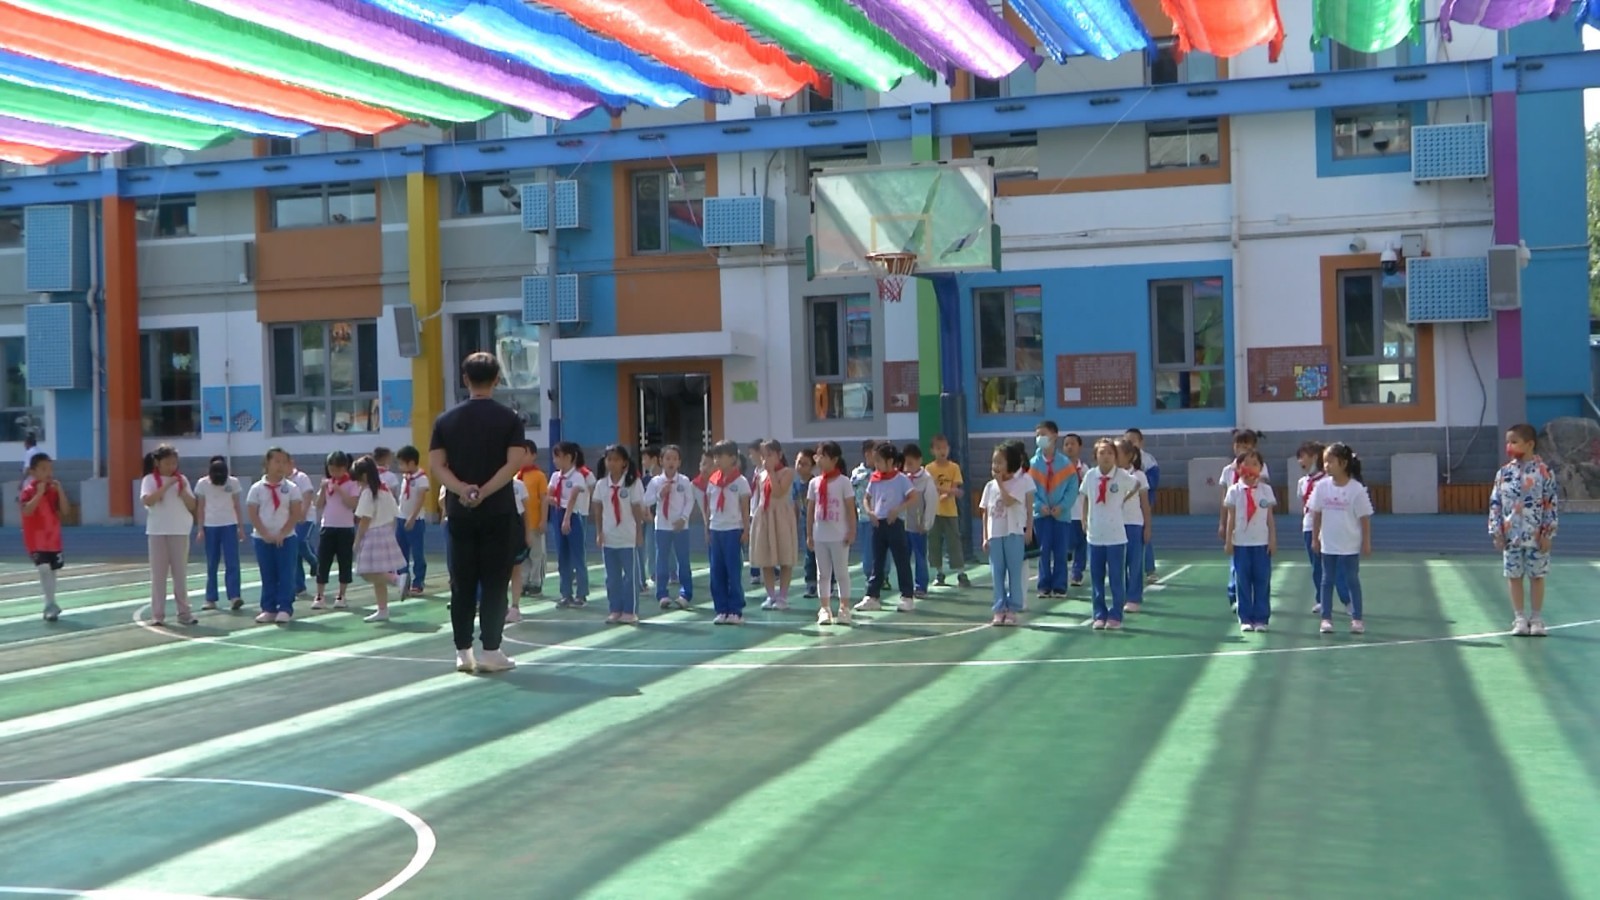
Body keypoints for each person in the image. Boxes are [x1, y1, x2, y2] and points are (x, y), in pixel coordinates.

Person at [429, 351, 527, 674]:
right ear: (497, 380)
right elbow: (513, 463)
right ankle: (491, 650)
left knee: (462, 581)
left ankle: (462, 651)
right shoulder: (510, 419)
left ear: (465, 379)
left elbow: (437, 465)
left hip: (459, 512)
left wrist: (462, 489)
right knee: (495, 582)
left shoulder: (445, 421)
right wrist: (485, 490)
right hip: (498, 510)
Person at [1489, 424, 1560, 637]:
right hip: (1511, 536)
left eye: (1514, 442)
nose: (1509, 446)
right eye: (1507, 442)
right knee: (1514, 576)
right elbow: (1495, 503)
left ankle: (1536, 618)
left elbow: (1550, 503)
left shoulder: (1544, 472)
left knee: (1537, 576)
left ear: (1529, 444)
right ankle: (1519, 618)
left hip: (1536, 536)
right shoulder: (1504, 473)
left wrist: (1548, 533)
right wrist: (1497, 532)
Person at [1311, 442, 1372, 635]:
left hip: (1350, 544)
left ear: (1343, 463)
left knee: (1352, 580)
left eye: (1330, 461)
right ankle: (1326, 619)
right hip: (1328, 543)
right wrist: (1315, 538)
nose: (1326, 465)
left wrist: (1366, 542)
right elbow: (1316, 514)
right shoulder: (1321, 487)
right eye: (1324, 461)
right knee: (1327, 580)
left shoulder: (1357, 489)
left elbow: (1364, 519)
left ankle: (1357, 619)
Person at [1079, 438, 1138, 630]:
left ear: (1115, 456)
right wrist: (1084, 518)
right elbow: (1085, 497)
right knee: (1096, 578)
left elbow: (1136, 485)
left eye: (1110, 453)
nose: (1106, 456)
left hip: (1116, 536)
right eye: (1102, 453)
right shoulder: (1090, 475)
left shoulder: (1121, 475)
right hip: (1095, 535)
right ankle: (1099, 613)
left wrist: (1123, 499)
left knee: (1115, 578)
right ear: (1095, 456)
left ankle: (1115, 614)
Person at [141, 445, 197, 627]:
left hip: (179, 530)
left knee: (180, 574)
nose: (171, 466)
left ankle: (184, 612)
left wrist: (183, 492)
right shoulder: (149, 479)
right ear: (157, 462)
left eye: (174, 463)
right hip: (157, 531)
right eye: (167, 463)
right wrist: (166, 485)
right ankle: (158, 614)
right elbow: (149, 501)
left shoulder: (182, 480)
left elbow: (192, 505)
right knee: (158, 575)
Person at [858, 441, 917, 613]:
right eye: (875, 460)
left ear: (890, 461)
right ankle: (872, 596)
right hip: (878, 524)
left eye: (879, 460)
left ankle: (907, 596)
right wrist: (870, 512)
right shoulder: (875, 479)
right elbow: (866, 498)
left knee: (901, 560)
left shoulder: (901, 479)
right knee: (877, 561)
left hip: (895, 523)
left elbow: (913, 497)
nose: (876, 464)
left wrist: (897, 510)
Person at [247, 448, 303, 624]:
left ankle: (285, 608)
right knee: (267, 574)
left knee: (286, 573)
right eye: (277, 461)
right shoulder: (257, 488)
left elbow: (295, 513)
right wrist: (264, 533)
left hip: (286, 538)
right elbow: (253, 512)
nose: (280, 466)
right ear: (267, 464)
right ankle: (269, 608)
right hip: (262, 538)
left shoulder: (292, 488)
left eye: (284, 462)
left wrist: (282, 533)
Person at [1224, 449, 1278, 633]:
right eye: (1246, 463)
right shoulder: (1234, 491)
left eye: (1255, 464)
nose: (1250, 467)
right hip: (1241, 543)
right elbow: (1231, 517)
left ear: (1261, 468)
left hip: (1261, 543)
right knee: (1243, 581)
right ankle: (1245, 617)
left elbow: (1269, 518)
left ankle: (1261, 618)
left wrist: (1272, 539)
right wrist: (1229, 540)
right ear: (1239, 468)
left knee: (1262, 581)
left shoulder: (1266, 490)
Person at [980, 441, 1033, 626]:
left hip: (1014, 532)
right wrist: (985, 536)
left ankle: (1012, 608)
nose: (995, 466)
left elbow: (1009, 502)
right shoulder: (989, 486)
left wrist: (1000, 484)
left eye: (1000, 462)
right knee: (997, 573)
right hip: (995, 534)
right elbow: (985, 512)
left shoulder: (1020, 483)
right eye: (994, 462)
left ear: (1010, 463)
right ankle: (999, 608)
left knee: (1014, 572)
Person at [593, 444, 648, 624]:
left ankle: (630, 611)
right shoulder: (601, 485)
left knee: (630, 577)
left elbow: (637, 509)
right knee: (612, 577)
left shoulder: (632, 483)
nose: (612, 463)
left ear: (624, 462)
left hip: (628, 538)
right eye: (609, 459)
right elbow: (598, 509)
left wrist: (639, 533)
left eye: (616, 460)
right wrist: (599, 532)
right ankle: (615, 609)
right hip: (609, 537)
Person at [1217, 429, 1269, 612]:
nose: (1241, 449)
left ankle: (1255, 601)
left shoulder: (1260, 467)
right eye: (1238, 445)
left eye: (1246, 446)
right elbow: (1225, 499)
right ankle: (1234, 595)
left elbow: (1263, 494)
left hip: (1254, 522)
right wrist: (1222, 522)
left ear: (1253, 447)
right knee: (1235, 562)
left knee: (1256, 567)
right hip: (1236, 521)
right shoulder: (1227, 471)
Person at [352, 455, 407, 623]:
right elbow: (394, 514)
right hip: (386, 531)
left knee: (366, 572)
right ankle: (383, 609)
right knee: (377, 572)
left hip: (372, 534)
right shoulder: (384, 489)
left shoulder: (368, 492)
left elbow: (365, 519)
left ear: (363, 476)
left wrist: (357, 540)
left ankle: (397, 579)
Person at [807, 441, 856, 625]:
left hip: (839, 535)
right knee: (823, 574)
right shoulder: (814, 483)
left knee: (841, 573)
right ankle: (824, 608)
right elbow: (811, 510)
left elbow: (850, 509)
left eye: (823, 456)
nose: (818, 459)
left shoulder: (844, 482)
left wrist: (852, 531)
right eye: (817, 455)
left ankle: (844, 608)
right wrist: (809, 534)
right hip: (820, 535)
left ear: (834, 459)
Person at [704, 440, 752, 624]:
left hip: (733, 530)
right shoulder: (712, 481)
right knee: (716, 572)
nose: (717, 460)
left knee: (733, 571)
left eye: (720, 456)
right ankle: (721, 609)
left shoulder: (740, 482)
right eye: (715, 456)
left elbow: (745, 508)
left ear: (733, 458)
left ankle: (735, 610)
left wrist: (746, 529)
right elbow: (709, 507)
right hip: (716, 529)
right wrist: (707, 529)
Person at [19, 452, 70, 622]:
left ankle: (52, 602)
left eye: (50, 469)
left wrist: (60, 491)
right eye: (43, 469)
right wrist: (39, 493)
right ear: (33, 472)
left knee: (52, 571)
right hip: (36, 540)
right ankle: (49, 604)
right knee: (43, 568)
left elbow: (65, 511)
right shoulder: (28, 491)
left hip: (53, 539)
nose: (48, 472)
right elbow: (27, 511)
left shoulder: (53, 491)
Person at [1030, 421, 1078, 599]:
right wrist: (1038, 505)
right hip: (1041, 516)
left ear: (1054, 436)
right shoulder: (1032, 464)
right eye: (1037, 435)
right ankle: (1044, 585)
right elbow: (1029, 490)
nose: (1040, 438)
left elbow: (1072, 489)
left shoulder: (1065, 464)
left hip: (1061, 516)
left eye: (1043, 434)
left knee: (1060, 552)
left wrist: (1062, 506)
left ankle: (1059, 586)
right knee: (1043, 552)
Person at [646, 445, 696, 610]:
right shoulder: (656, 482)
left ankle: (685, 594)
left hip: (681, 526)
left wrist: (683, 518)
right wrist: (660, 494)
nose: (671, 462)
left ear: (679, 462)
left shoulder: (684, 481)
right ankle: (662, 594)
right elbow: (646, 500)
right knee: (661, 560)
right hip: (662, 526)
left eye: (674, 459)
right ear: (661, 461)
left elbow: (690, 501)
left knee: (683, 560)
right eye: (667, 458)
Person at [193, 455, 245, 612]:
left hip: (229, 525)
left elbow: (237, 505)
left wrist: (240, 527)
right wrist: (200, 529)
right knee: (212, 563)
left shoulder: (233, 482)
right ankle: (210, 598)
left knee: (232, 562)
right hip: (210, 526)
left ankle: (234, 596)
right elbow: (200, 507)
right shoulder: (202, 483)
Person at [750, 439, 798, 610]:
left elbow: (778, 492)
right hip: (765, 516)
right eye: (763, 456)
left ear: (779, 454)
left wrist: (770, 472)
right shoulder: (760, 474)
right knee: (766, 558)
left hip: (781, 516)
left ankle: (783, 596)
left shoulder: (787, 472)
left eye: (770, 455)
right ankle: (771, 595)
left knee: (785, 557)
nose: (766, 459)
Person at [312, 451, 359, 610]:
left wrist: (340, 490)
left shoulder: (352, 483)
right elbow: (318, 505)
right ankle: (320, 595)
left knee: (344, 562)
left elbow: (352, 504)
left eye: (338, 469)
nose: (335, 473)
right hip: (327, 526)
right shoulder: (327, 483)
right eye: (331, 469)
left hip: (345, 528)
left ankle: (341, 595)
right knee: (323, 561)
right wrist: (322, 489)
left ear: (345, 468)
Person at [549, 441, 592, 610]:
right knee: (562, 556)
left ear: (568, 457)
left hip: (574, 516)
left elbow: (573, 499)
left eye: (557, 457)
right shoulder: (555, 476)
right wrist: (555, 501)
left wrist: (566, 518)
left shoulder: (577, 476)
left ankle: (581, 594)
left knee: (577, 556)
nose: (554, 461)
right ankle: (565, 594)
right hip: (558, 514)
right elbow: (548, 495)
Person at [925, 434, 969, 588]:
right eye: (938, 448)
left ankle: (961, 574)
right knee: (934, 543)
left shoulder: (954, 467)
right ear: (932, 451)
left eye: (944, 448)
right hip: (933, 512)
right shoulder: (929, 469)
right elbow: (931, 487)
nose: (942, 451)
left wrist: (948, 493)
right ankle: (939, 573)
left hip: (950, 512)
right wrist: (948, 491)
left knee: (954, 542)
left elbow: (955, 488)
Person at [1114, 439, 1152, 613]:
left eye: (1117, 454)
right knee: (1117, 563)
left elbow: (1145, 504)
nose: (1114, 457)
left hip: (1134, 524)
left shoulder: (1139, 476)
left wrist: (1147, 527)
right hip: (1114, 525)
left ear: (1130, 456)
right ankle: (1119, 596)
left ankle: (1134, 597)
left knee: (1134, 562)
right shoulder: (1111, 476)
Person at [1294, 441, 1329, 614]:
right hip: (1309, 527)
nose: (1300, 461)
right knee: (1316, 565)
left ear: (1315, 457)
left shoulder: (1327, 480)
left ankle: (1347, 599)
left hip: (1328, 527)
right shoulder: (1302, 482)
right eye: (1299, 458)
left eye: (1303, 457)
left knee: (1336, 566)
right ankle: (1321, 599)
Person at [1124, 428, 1160, 584]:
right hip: (1123, 506)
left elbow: (1152, 482)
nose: (1130, 444)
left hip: (1141, 502)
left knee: (1144, 536)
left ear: (1141, 442)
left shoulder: (1148, 460)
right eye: (1127, 441)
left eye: (1133, 441)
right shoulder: (1120, 458)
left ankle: (1149, 569)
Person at [395, 445, 430, 596]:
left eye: (402, 464)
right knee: (400, 551)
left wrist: (413, 517)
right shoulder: (406, 478)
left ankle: (418, 582)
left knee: (417, 552)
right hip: (401, 518)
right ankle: (403, 579)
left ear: (411, 463)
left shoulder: (421, 478)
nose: (400, 467)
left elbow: (421, 499)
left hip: (415, 520)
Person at [517, 440, 549, 600]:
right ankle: (523, 582)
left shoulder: (539, 476)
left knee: (537, 554)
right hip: (521, 524)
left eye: (526, 453)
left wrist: (543, 519)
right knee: (523, 556)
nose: (522, 457)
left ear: (534, 455)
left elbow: (544, 499)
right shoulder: (516, 476)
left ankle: (536, 582)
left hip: (535, 522)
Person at [286, 455, 317, 597]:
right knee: (294, 552)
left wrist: (303, 513)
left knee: (300, 541)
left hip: (306, 518)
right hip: (290, 520)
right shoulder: (281, 480)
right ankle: (299, 586)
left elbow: (308, 495)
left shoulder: (301, 477)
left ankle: (315, 561)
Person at [850, 439, 878, 586]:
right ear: (867, 453)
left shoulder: (883, 472)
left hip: (882, 517)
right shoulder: (857, 473)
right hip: (865, 517)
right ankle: (869, 575)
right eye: (876, 450)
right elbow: (851, 494)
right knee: (868, 549)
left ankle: (883, 575)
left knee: (883, 549)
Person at [1063, 433, 1088, 587]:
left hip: (1080, 513)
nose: (1069, 447)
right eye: (1066, 444)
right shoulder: (1059, 468)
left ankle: (1077, 574)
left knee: (1081, 545)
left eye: (1073, 444)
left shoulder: (1084, 469)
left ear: (1080, 447)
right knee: (1065, 545)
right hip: (1064, 513)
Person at [794, 447, 819, 598]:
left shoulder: (815, 483)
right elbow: (796, 504)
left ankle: (829, 583)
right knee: (809, 553)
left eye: (805, 464)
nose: (800, 466)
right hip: (806, 523)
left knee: (822, 554)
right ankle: (811, 583)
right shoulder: (796, 484)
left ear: (812, 467)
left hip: (819, 523)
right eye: (798, 462)